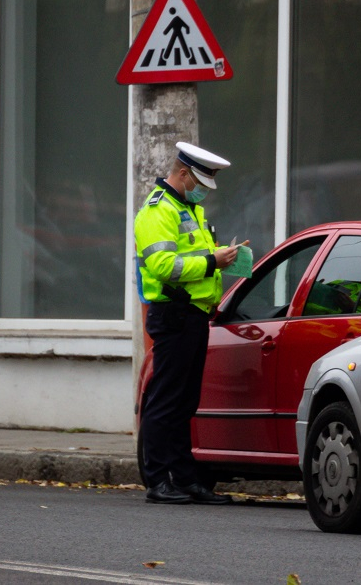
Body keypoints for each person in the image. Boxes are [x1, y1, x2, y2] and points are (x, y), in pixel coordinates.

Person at [134, 141, 244, 505]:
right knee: (165, 400)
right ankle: (157, 480)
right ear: (183, 174)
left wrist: (223, 258)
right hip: (174, 314)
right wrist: (213, 261)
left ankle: (184, 478)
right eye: (200, 183)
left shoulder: (188, 208)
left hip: (194, 315)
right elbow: (164, 266)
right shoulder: (158, 210)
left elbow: (191, 258)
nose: (204, 191)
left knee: (184, 401)